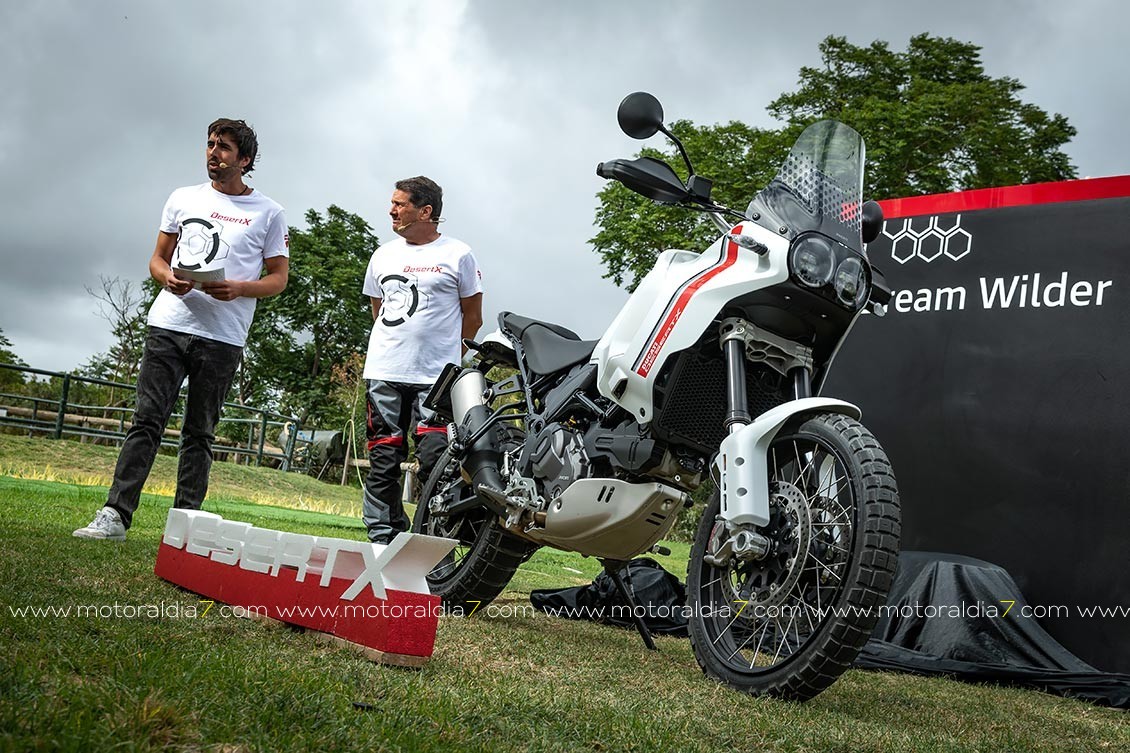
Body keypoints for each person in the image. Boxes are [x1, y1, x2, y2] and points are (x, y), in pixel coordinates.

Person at [73, 119, 289, 541]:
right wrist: (166, 277)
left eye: (224, 147)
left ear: (244, 160)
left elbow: (279, 278)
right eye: (210, 144)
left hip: (223, 337)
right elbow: (157, 258)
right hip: (169, 326)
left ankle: (185, 529)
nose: (213, 153)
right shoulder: (183, 198)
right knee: (146, 422)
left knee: (199, 433)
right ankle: (115, 515)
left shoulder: (269, 213)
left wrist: (240, 288)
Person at [360, 176, 483, 544]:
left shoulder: (458, 254)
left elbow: (472, 317)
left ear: (425, 211)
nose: (391, 210)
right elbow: (377, 308)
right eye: (392, 203)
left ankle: (432, 536)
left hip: (435, 378)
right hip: (384, 370)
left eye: (400, 204)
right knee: (384, 456)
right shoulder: (383, 254)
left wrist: (449, 360)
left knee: (434, 458)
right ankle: (384, 536)